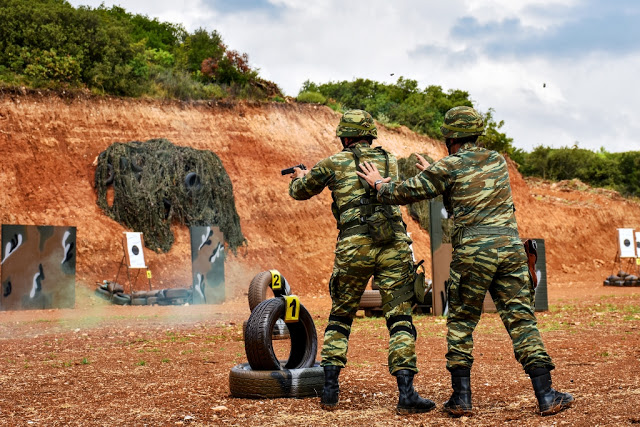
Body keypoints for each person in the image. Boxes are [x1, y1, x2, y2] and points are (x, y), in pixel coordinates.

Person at [356, 106, 574, 417]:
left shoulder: (448, 166)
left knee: (461, 323)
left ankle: (461, 398)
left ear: (449, 138)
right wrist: (438, 171)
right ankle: (547, 394)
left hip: (473, 252)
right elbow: (462, 191)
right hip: (510, 247)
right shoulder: (497, 160)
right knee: (522, 321)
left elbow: (404, 192)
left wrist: (378, 183)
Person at [288, 109, 435, 414]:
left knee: (341, 316)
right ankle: (406, 394)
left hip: (354, 246)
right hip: (393, 243)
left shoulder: (333, 162)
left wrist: (300, 177)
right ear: (370, 135)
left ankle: (329, 391)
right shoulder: (390, 159)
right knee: (400, 318)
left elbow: (300, 192)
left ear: (345, 136)